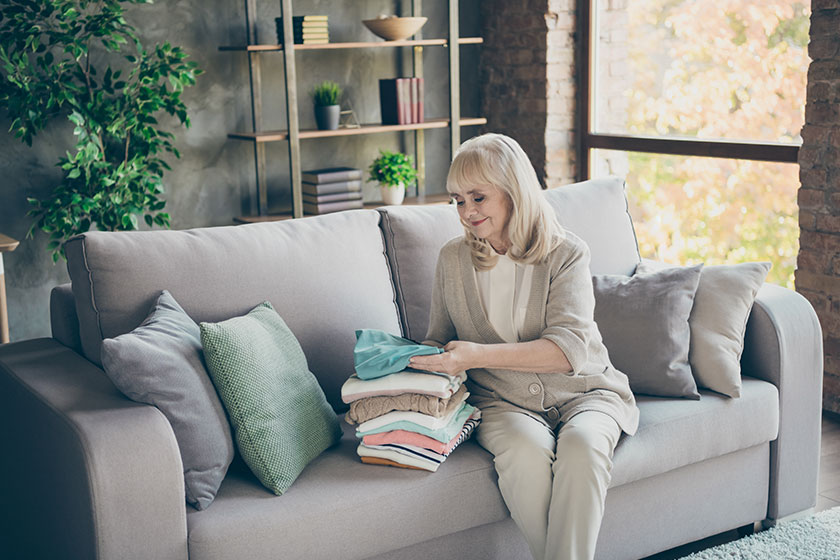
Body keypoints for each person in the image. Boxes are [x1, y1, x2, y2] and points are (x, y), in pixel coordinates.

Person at [408, 133, 640, 560]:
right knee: (525, 457)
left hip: (586, 393)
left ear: (513, 192)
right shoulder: (452, 259)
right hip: (501, 402)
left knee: (584, 448)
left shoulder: (566, 253)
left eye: (479, 197)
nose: (467, 212)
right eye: (458, 200)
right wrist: (410, 366)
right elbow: (438, 336)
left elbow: (566, 351)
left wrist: (475, 355)